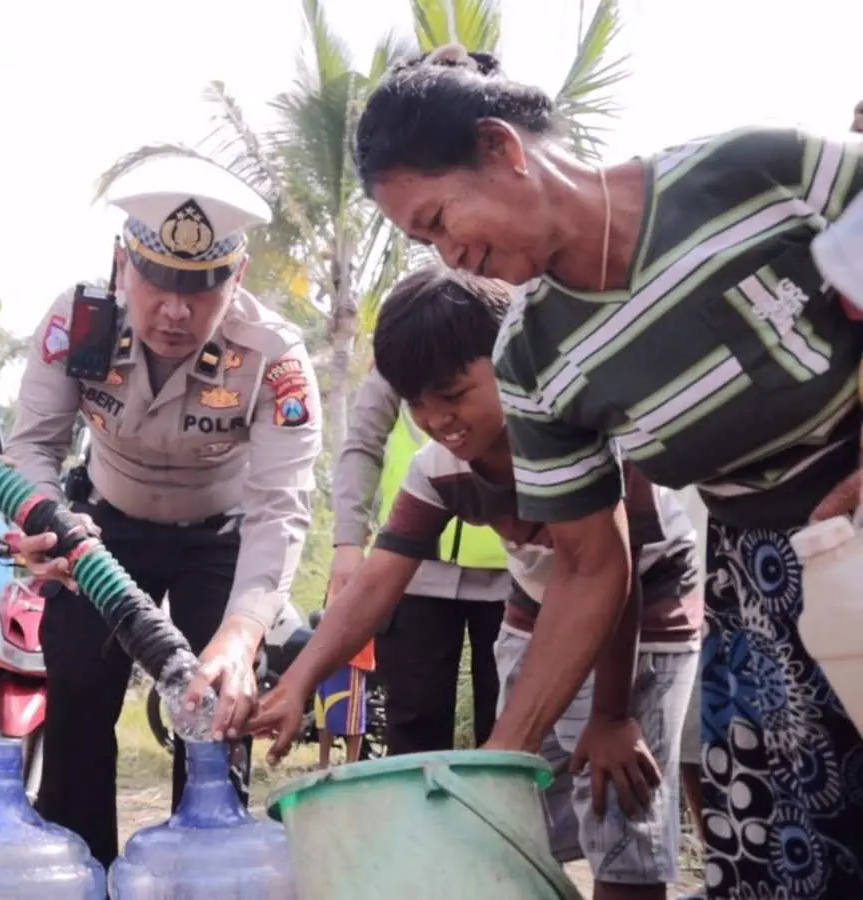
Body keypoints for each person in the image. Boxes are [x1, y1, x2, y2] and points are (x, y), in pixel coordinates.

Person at [352, 44, 863, 899]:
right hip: (764, 584)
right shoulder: (531, 356)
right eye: (421, 241)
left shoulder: (753, 172)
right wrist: (497, 761)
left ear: (501, 148)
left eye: (439, 221)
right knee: (787, 866)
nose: (447, 255)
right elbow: (591, 567)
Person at [251, 265, 703, 900]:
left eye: (454, 393)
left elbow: (615, 577)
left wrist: (612, 714)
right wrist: (298, 680)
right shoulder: (439, 470)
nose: (438, 420)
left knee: (618, 806)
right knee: (507, 798)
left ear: (512, 362)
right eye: (418, 404)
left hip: (648, 608)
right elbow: (378, 583)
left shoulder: (580, 435)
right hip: (539, 602)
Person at [0, 155, 322, 868]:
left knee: (216, 712)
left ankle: (203, 873)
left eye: (201, 289)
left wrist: (241, 636)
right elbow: (33, 449)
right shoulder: (75, 323)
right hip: (99, 529)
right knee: (78, 697)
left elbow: (281, 508)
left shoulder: (274, 356)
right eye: (158, 282)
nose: (175, 311)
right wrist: (43, 521)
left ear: (237, 281)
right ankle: (84, 872)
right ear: (121, 265)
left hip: (221, 538)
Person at [334, 368, 510, 755]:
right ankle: (415, 816)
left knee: (509, 720)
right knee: (413, 724)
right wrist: (347, 541)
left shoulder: (511, 335)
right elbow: (363, 442)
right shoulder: (402, 345)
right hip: (412, 569)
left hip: (514, 570)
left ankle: (504, 815)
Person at [309, 640, 374, 766]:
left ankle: (351, 768)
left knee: (353, 719)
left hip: (352, 657)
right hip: (328, 655)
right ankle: (323, 766)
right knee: (324, 711)